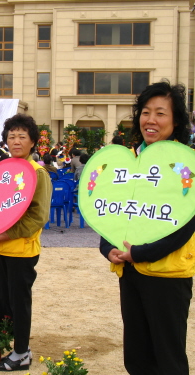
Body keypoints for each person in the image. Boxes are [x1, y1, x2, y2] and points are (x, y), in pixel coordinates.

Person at [99, 80, 195, 375]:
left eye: (161, 113)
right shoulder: (130, 160)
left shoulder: (185, 164)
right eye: (145, 112)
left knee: (168, 356)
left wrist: (139, 253)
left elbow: (184, 228)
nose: (151, 120)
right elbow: (109, 210)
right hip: (130, 271)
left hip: (167, 273)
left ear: (175, 120)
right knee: (137, 356)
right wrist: (108, 247)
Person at [0, 113, 51, 372]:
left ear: (33, 142)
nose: (16, 141)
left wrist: (7, 235)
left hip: (21, 249)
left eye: (22, 136)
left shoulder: (37, 173)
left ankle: (21, 352)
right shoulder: (3, 172)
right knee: (4, 302)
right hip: (1, 249)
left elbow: (38, 217)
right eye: (11, 136)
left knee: (20, 303)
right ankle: (14, 346)